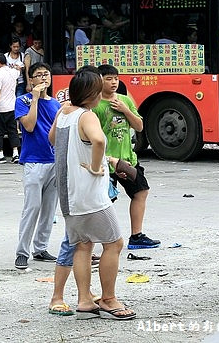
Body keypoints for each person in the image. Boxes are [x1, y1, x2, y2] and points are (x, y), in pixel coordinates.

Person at [48, 69, 135, 320]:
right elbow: (98, 141)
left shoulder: (63, 112)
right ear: (92, 93)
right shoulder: (87, 116)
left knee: (83, 246)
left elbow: (52, 138)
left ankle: (85, 299)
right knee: (114, 243)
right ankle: (108, 298)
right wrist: (97, 167)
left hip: (68, 194)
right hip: (90, 196)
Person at [94, 64, 159, 249]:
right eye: (109, 78)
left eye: (116, 78)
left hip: (128, 159)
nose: (114, 82)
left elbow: (139, 127)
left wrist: (125, 110)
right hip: (105, 162)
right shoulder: (96, 105)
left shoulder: (124, 100)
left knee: (141, 192)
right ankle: (105, 240)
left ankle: (136, 236)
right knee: (104, 202)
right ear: (99, 81)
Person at [13, 62, 61, 270]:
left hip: (54, 161)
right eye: (39, 75)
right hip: (34, 161)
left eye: (46, 74)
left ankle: (40, 248)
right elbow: (30, 126)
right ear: (30, 79)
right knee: (32, 208)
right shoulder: (22, 100)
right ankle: (22, 252)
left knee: (50, 209)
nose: (43, 78)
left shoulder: (56, 104)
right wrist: (34, 98)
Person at [0, 53, 21, 164]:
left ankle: (0, 155)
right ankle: (15, 154)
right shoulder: (13, 72)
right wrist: (17, 67)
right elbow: (19, 70)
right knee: (13, 131)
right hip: (12, 107)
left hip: (1, 107)